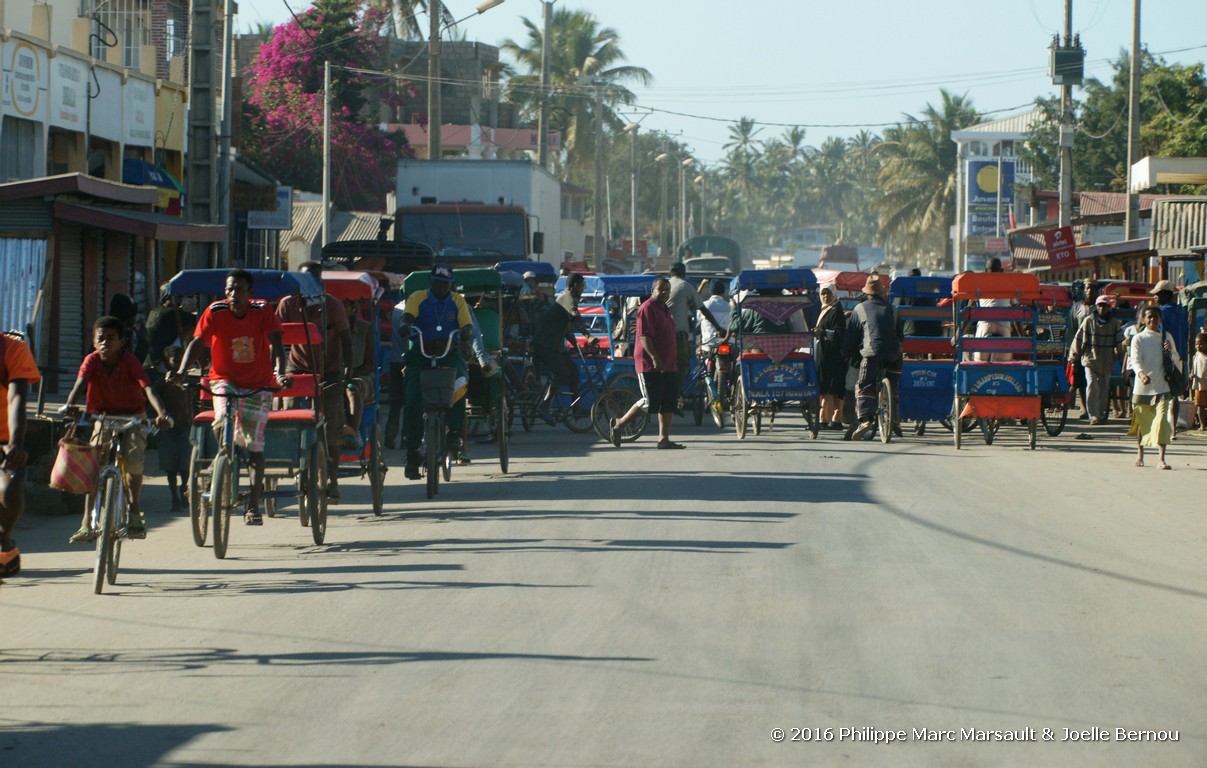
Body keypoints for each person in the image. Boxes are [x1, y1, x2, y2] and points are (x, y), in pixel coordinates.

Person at [171, 269, 290, 525]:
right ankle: (225, 453)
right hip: (224, 379)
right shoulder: (215, 311)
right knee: (223, 417)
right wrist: (181, 372)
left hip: (259, 383)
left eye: (239, 289)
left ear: (251, 293)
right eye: (229, 290)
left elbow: (277, 346)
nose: (233, 294)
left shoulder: (262, 311)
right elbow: (196, 342)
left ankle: (252, 504)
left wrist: (280, 374)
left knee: (255, 446)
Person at [64, 316, 173, 542]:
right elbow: (79, 385)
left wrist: (161, 413)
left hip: (133, 416)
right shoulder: (91, 361)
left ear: (122, 341)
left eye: (111, 338)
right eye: (101, 339)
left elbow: (149, 389)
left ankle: (134, 513)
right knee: (94, 465)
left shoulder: (130, 361)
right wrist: (70, 405)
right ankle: (86, 522)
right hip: (102, 417)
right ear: (94, 342)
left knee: (134, 461)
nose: (105, 343)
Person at [277, 262, 352, 503]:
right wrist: (276, 370)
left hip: (328, 370)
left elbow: (346, 339)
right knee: (288, 415)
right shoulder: (287, 304)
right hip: (296, 367)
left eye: (315, 279)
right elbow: (273, 338)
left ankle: (332, 476)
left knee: (332, 423)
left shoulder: (333, 305)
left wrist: (347, 370)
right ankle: (292, 463)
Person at [400, 264, 475, 480]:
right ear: (431, 282)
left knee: (460, 382)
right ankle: (412, 453)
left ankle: (454, 433)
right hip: (421, 353)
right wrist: (405, 324)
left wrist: (466, 331)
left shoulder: (457, 300)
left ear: (450, 284)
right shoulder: (418, 297)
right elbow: (407, 317)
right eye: (437, 282)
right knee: (412, 398)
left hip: (448, 352)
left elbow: (466, 324)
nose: (441, 287)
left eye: (445, 283)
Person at [610, 277, 681, 449]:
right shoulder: (646, 308)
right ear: (653, 291)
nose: (665, 292)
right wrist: (655, 357)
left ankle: (663, 439)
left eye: (667, 289)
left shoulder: (666, 309)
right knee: (650, 401)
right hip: (650, 363)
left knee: (668, 401)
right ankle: (619, 424)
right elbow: (643, 336)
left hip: (668, 363)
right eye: (661, 289)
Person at [841, 274, 902, 440]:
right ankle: (894, 417)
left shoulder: (859, 309)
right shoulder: (893, 309)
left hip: (872, 353)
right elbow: (900, 335)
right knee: (894, 385)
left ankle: (866, 420)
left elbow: (851, 338)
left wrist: (848, 354)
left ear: (866, 293)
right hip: (894, 354)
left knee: (864, 384)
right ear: (882, 292)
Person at [0, 331, 40, 578]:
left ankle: (4, 538)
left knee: (11, 487)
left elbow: (17, 396)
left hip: (5, 440)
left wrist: (16, 442)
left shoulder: (12, 348)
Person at [667, 262, 726, 403]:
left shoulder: (661, 285)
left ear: (670, 273)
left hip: (659, 333)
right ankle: (674, 395)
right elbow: (702, 310)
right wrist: (718, 327)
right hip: (677, 333)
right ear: (684, 274)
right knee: (682, 364)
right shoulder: (685, 286)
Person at [1129, 306, 1180, 469]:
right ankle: (1140, 455)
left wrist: (1170, 351)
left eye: (1156, 317)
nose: (1153, 320)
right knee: (1142, 423)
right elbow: (1135, 361)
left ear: (1160, 319)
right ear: (1143, 319)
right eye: (1149, 317)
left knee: (1162, 422)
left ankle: (1162, 459)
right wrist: (1141, 374)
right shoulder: (1138, 339)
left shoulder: (1166, 337)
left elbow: (1176, 360)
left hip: (1162, 386)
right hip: (1142, 388)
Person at [1067, 294, 1124, 425]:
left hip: (1106, 360)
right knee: (1092, 385)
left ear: (1109, 307)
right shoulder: (1089, 321)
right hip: (1090, 359)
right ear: (1096, 307)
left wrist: (1122, 353)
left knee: (1103, 389)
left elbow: (1119, 342)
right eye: (1100, 305)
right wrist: (1073, 358)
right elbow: (1078, 340)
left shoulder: (1114, 324)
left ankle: (1101, 413)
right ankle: (1093, 415)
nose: (1102, 308)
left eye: (1104, 305)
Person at [532, 272, 587, 406]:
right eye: (582, 286)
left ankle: (576, 408)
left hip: (555, 346)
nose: (583, 289)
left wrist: (575, 344)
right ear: (575, 286)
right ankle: (545, 405)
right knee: (563, 374)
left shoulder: (570, 298)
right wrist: (588, 336)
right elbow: (575, 316)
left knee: (574, 372)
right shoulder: (567, 297)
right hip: (545, 345)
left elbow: (566, 328)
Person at [154, 346, 193, 513]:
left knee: (185, 467)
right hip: (168, 429)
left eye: (180, 360)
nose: (177, 363)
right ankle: (174, 498)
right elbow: (153, 398)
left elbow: (192, 401)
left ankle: (184, 490)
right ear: (167, 362)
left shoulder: (188, 380)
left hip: (186, 427)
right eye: (174, 360)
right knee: (170, 468)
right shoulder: (162, 383)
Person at [1152, 279, 1189, 435]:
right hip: (1181, 356)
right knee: (1175, 393)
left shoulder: (1162, 313)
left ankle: (1161, 426)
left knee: (1160, 391)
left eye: (1157, 295)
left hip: (1165, 354)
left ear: (1164, 295)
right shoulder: (1182, 312)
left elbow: (1159, 335)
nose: (1155, 298)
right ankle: (1173, 429)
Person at [342, 296, 376, 448]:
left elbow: (371, 362)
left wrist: (351, 375)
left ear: (352, 307)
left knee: (352, 388)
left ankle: (353, 433)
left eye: (344, 305)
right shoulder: (328, 328)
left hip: (361, 377)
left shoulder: (364, 329)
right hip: (335, 377)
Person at [813, 283, 847, 430]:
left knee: (831, 387)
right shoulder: (825, 310)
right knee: (825, 385)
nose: (825, 296)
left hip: (833, 356)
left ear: (834, 294)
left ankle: (830, 419)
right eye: (823, 294)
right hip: (825, 353)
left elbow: (840, 334)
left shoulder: (836, 311)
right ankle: (827, 418)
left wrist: (823, 332)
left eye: (828, 294)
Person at [143, 287, 197, 377]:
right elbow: (196, 320)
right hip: (162, 359)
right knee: (194, 328)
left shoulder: (155, 311)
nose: (179, 302)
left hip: (150, 358)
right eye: (178, 298)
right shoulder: (173, 312)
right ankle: (188, 360)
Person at [973, 257, 1013, 362]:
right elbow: (1014, 304)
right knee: (1002, 366)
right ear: (1001, 271)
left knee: (980, 364)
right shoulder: (1009, 285)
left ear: (985, 271)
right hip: (1003, 327)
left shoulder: (979, 285)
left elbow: (971, 302)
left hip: (985, 326)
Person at [384, 299, 408, 450]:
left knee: (395, 404)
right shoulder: (413, 310)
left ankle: (390, 434)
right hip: (409, 362)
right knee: (409, 403)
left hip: (394, 362)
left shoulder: (395, 310)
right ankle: (406, 438)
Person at [1192, 332, 1207, 431]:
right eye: (1197, 344)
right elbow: (1194, 367)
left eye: (1201, 343)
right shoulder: (1196, 355)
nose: (1198, 346)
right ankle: (1202, 425)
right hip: (1199, 385)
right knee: (1200, 406)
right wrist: (1192, 374)